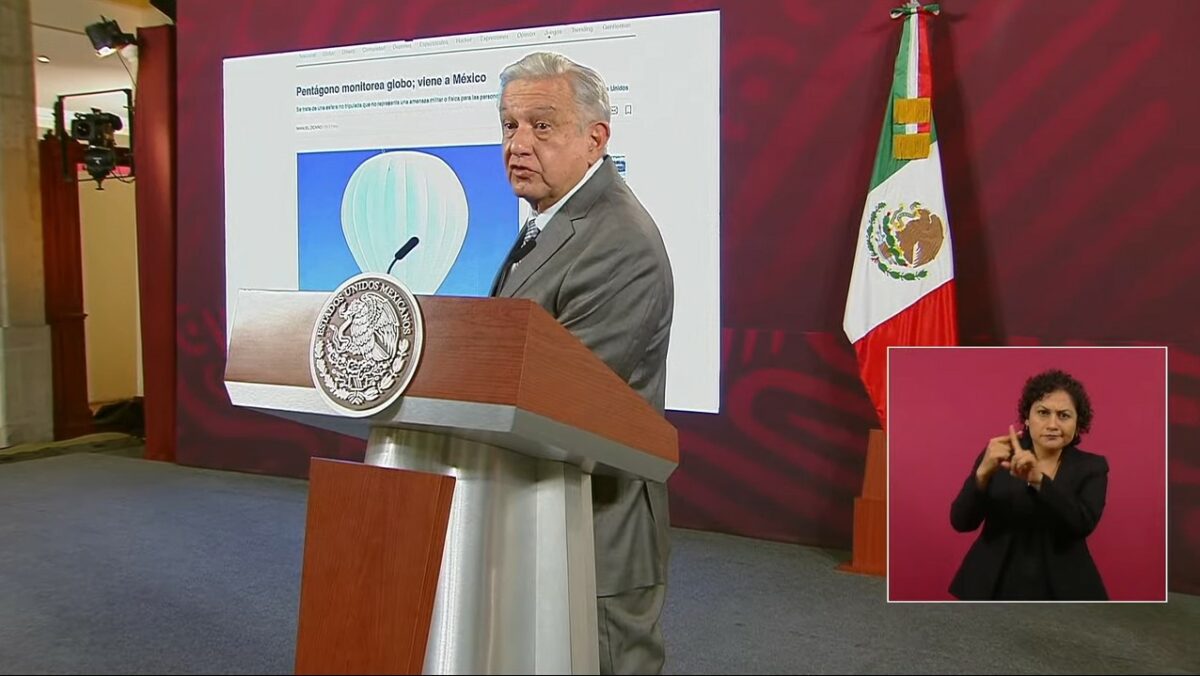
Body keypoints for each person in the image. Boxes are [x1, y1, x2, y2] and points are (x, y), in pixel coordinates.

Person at [491, 52, 674, 673]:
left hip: (598, 521)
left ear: (596, 139)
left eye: (541, 126)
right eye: (510, 125)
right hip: (542, 507)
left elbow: (564, 395)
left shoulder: (617, 238)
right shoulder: (551, 220)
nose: (518, 144)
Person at [949, 369, 1109, 600]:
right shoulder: (998, 455)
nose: (1052, 424)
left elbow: (1082, 524)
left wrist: (1038, 480)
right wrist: (982, 474)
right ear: (1026, 417)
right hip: (994, 584)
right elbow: (961, 522)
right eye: (1043, 413)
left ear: (1077, 423)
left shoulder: (1092, 467)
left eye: (1064, 415)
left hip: (1061, 589)